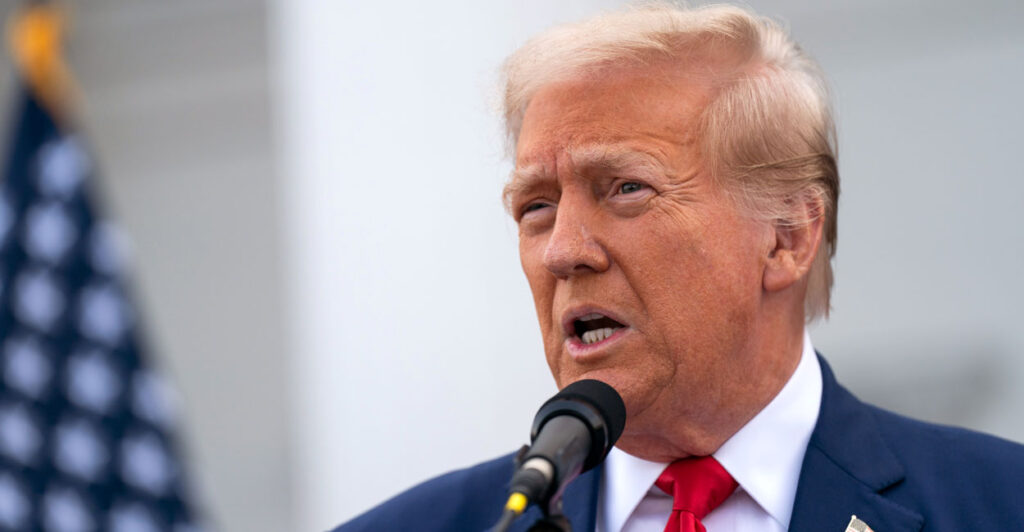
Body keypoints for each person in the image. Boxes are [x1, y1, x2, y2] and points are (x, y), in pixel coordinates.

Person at [336, 4, 1024, 531]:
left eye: (626, 188)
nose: (563, 250)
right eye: (537, 206)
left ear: (787, 237)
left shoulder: (997, 504)